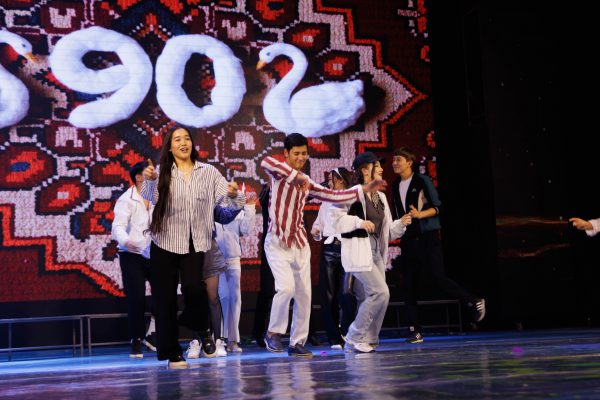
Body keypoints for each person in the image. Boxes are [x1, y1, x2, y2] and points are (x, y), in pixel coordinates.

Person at [260, 133, 386, 357]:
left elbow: (332, 195)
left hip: (300, 243)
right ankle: (273, 332)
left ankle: (297, 342)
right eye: (296, 154)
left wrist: (362, 190)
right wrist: (295, 177)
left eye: (304, 153)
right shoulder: (279, 173)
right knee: (286, 288)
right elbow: (266, 162)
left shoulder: (308, 183)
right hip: (277, 241)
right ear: (286, 153)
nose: (301, 158)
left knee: (304, 295)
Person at [141, 126, 244, 368]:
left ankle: (201, 327)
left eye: (186, 138)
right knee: (165, 300)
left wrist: (234, 195)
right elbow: (150, 197)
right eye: (177, 139)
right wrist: (150, 180)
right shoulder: (162, 172)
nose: (183, 143)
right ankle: (173, 353)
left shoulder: (208, 172)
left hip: (195, 241)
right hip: (164, 242)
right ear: (170, 147)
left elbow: (228, 201)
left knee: (193, 289)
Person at [390, 147, 485, 344]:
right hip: (408, 238)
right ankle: (415, 331)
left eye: (398, 160)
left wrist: (420, 214)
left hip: (427, 237)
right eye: (394, 160)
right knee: (408, 285)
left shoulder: (422, 180)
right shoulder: (395, 185)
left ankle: (473, 300)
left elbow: (438, 207)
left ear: (409, 162)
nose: (395, 163)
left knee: (437, 277)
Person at [331, 153, 412, 353]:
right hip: (359, 250)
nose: (382, 169)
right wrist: (359, 222)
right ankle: (354, 337)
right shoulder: (352, 194)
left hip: (376, 251)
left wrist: (401, 224)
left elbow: (387, 231)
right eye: (377, 165)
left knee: (379, 296)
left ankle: (369, 339)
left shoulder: (379, 197)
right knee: (380, 292)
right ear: (365, 170)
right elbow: (337, 222)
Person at [111, 161, 155, 358]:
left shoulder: (156, 197)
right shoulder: (126, 199)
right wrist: (126, 241)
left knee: (164, 294)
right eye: (148, 172)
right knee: (136, 298)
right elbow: (117, 226)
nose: (153, 174)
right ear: (138, 177)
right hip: (131, 254)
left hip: (154, 253)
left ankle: (152, 334)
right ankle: (136, 340)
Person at [311, 168, 358, 349]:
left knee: (347, 292)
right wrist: (316, 230)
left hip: (348, 247)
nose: (329, 183)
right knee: (328, 294)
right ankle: (334, 337)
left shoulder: (352, 198)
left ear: (340, 180)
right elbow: (319, 223)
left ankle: (347, 331)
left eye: (331, 179)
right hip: (329, 249)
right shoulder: (326, 200)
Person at [217, 191, 257, 353]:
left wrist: (250, 208)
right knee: (223, 297)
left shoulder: (235, 207)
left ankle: (233, 340)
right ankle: (219, 338)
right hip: (216, 260)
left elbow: (245, 229)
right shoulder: (211, 207)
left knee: (235, 299)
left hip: (233, 258)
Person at [252, 184, 275, 348]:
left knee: (298, 290)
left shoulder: (295, 188)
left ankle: (307, 333)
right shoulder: (268, 190)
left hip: (291, 244)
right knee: (267, 290)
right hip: (271, 244)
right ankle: (258, 332)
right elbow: (263, 199)